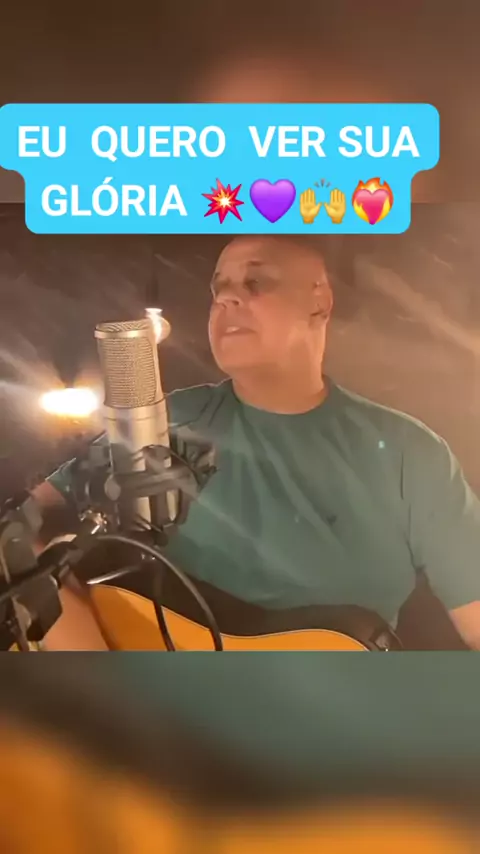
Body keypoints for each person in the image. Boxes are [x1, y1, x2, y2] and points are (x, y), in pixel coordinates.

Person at [34, 235, 480, 650]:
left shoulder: (410, 453)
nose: (225, 299)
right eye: (218, 289)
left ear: (319, 302)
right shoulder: (165, 421)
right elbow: (19, 536)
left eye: (255, 283)